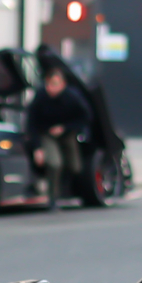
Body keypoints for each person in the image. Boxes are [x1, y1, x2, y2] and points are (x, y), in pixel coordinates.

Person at [26, 66, 94, 210]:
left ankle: (67, 189)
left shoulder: (72, 97)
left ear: (63, 85)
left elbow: (85, 117)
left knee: (75, 167)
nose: (52, 88)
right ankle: (53, 198)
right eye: (49, 84)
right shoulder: (40, 97)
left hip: (66, 133)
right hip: (46, 133)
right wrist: (37, 147)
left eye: (55, 84)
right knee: (55, 163)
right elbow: (31, 123)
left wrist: (65, 128)